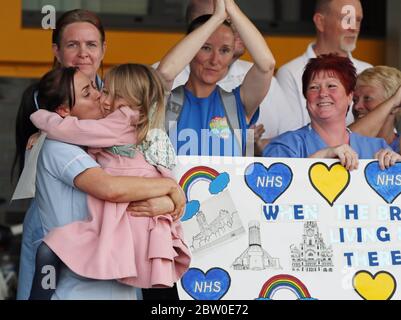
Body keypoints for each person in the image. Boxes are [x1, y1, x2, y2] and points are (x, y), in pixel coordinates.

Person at [14, 9, 185, 300]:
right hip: (74, 269)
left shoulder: (117, 104)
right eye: (72, 45)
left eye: (91, 45)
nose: (83, 54)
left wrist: (167, 198)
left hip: (117, 262)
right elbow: (110, 188)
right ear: (56, 50)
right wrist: (170, 189)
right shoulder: (55, 128)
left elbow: (160, 78)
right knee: (49, 251)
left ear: (104, 50)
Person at [153, 0, 298, 144]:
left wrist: (229, 5)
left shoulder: (238, 103)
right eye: (206, 48)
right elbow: (165, 73)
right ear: (191, 48)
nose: (215, 60)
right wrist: (217, 18)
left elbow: (266, 65)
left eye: (224, 50)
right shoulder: (166, 101)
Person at [263, 54, 401, 171]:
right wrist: (322, 156)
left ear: (349, 97)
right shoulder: (285, 145)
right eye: (314, 87)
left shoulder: (378, 147)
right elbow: (272, 192)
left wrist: (396, 168)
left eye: (331, 86)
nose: (322, 93)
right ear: (306, 98)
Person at [276, 0, 372, 127]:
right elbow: (290, 136)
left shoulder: (368, 71)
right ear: (320, 22)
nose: (353, 27)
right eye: (346, 19)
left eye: (357, 20)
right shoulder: (290, 73)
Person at [348, 66, 401, 152]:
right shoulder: (345, 145)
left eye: (367, 98)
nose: (357, 106)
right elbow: (345, 139)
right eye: (355, 100)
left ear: (395, 107)